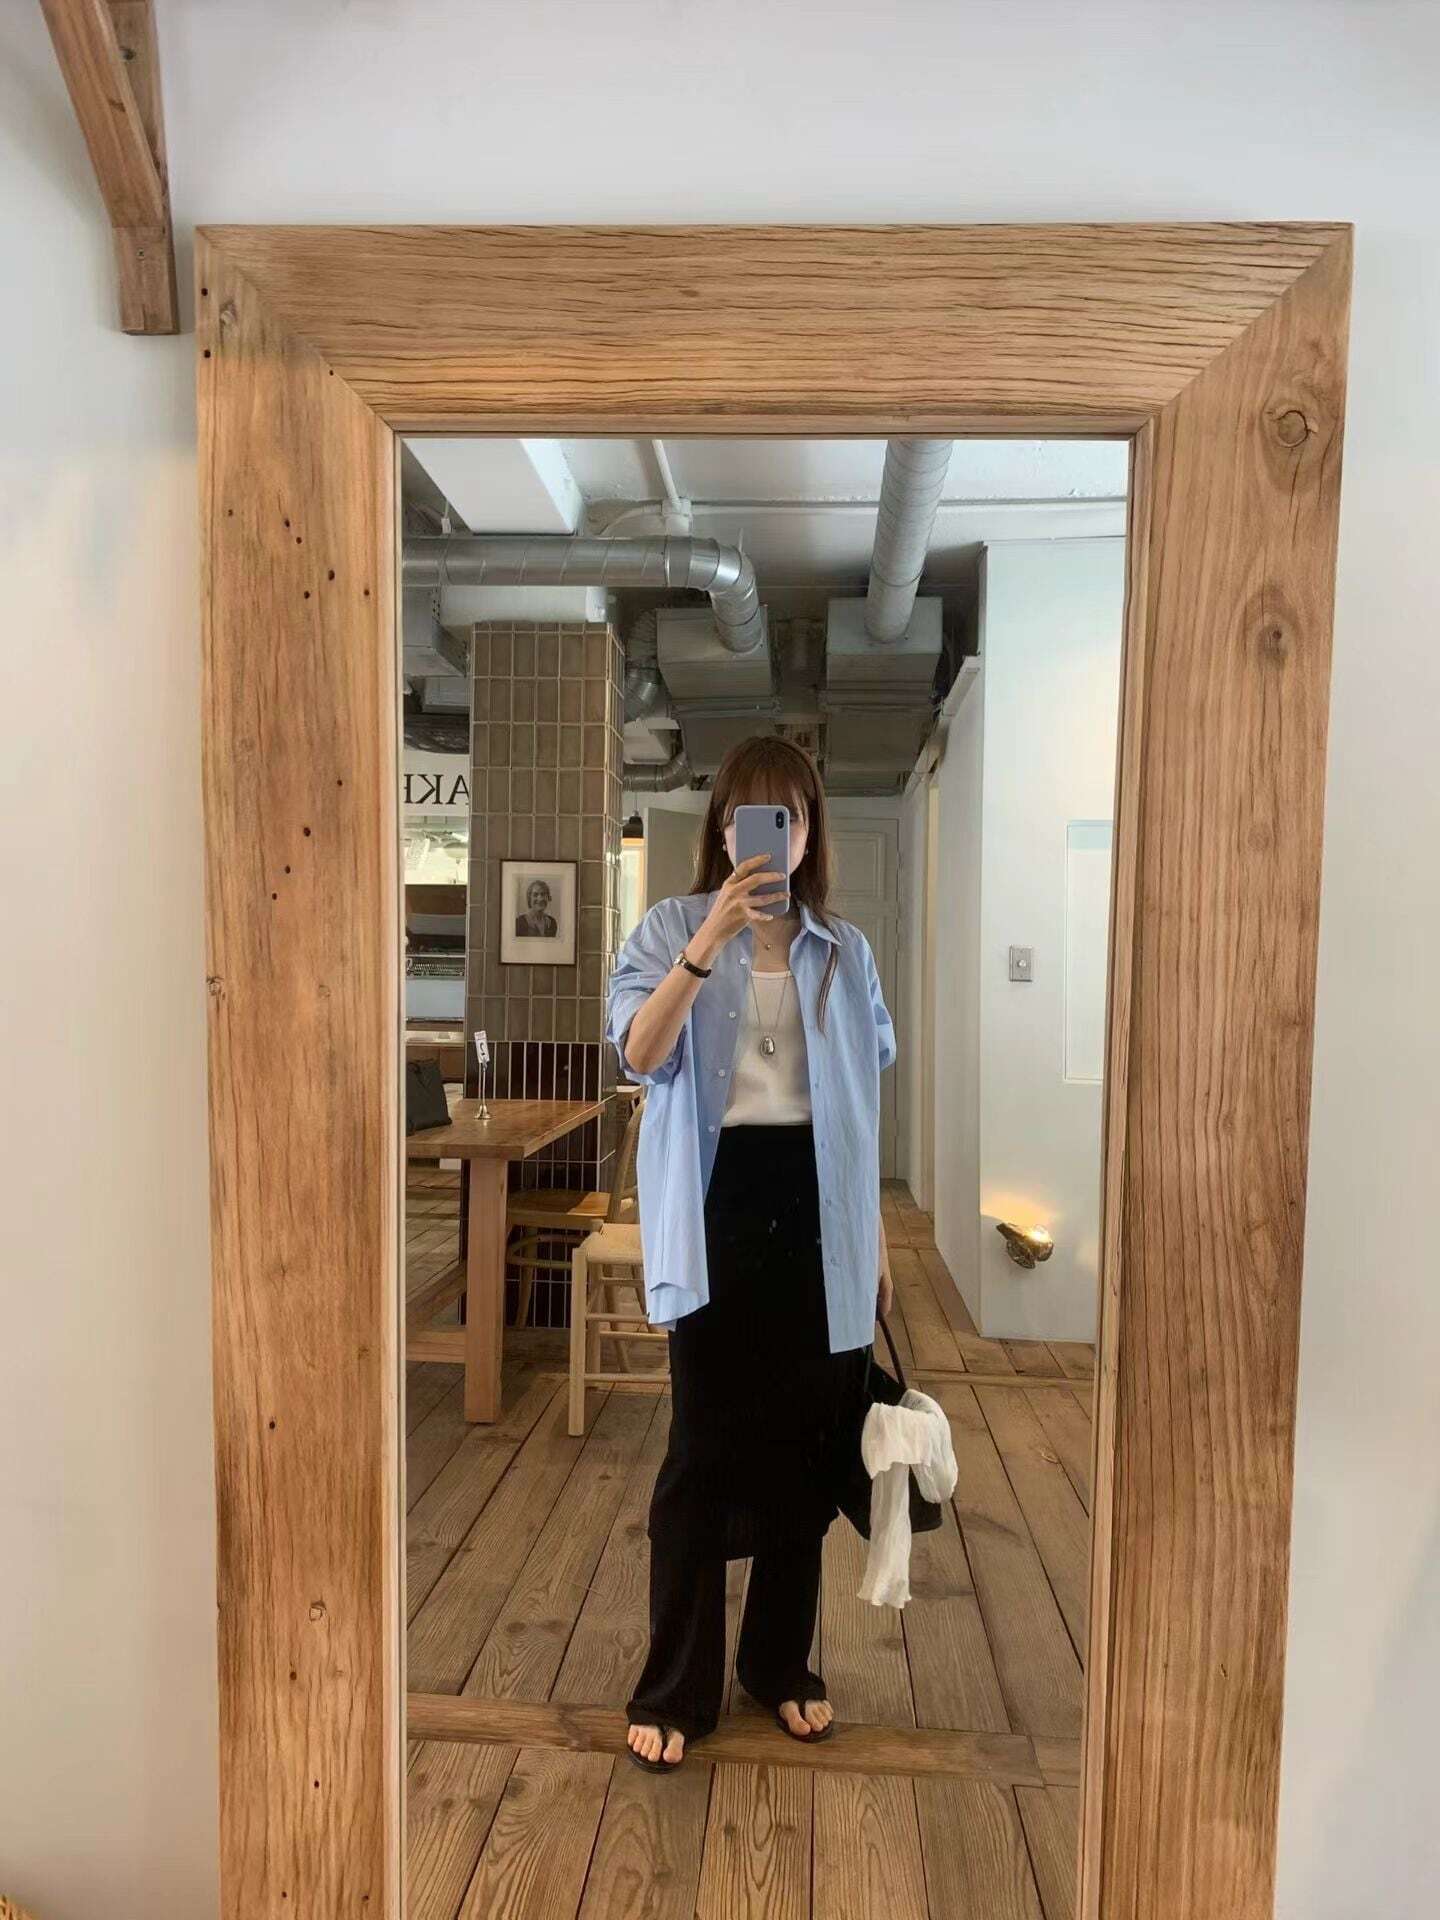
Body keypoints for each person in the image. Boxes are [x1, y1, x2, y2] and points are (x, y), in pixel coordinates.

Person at [604, 735, 897, 1772]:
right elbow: (639, 1054)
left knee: (806, 1455)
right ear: (722, 830)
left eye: (790, 816)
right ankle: (676, 1685)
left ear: (809, 834)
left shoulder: (844, 951)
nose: (769, 835)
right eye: (748, 816)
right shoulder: (669, 926)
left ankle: (778, 1663)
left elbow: (860, 1106)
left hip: (819, 1213)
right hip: (717, 1210)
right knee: (699, 1454)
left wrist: (875, 1243)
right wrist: (709, 941)